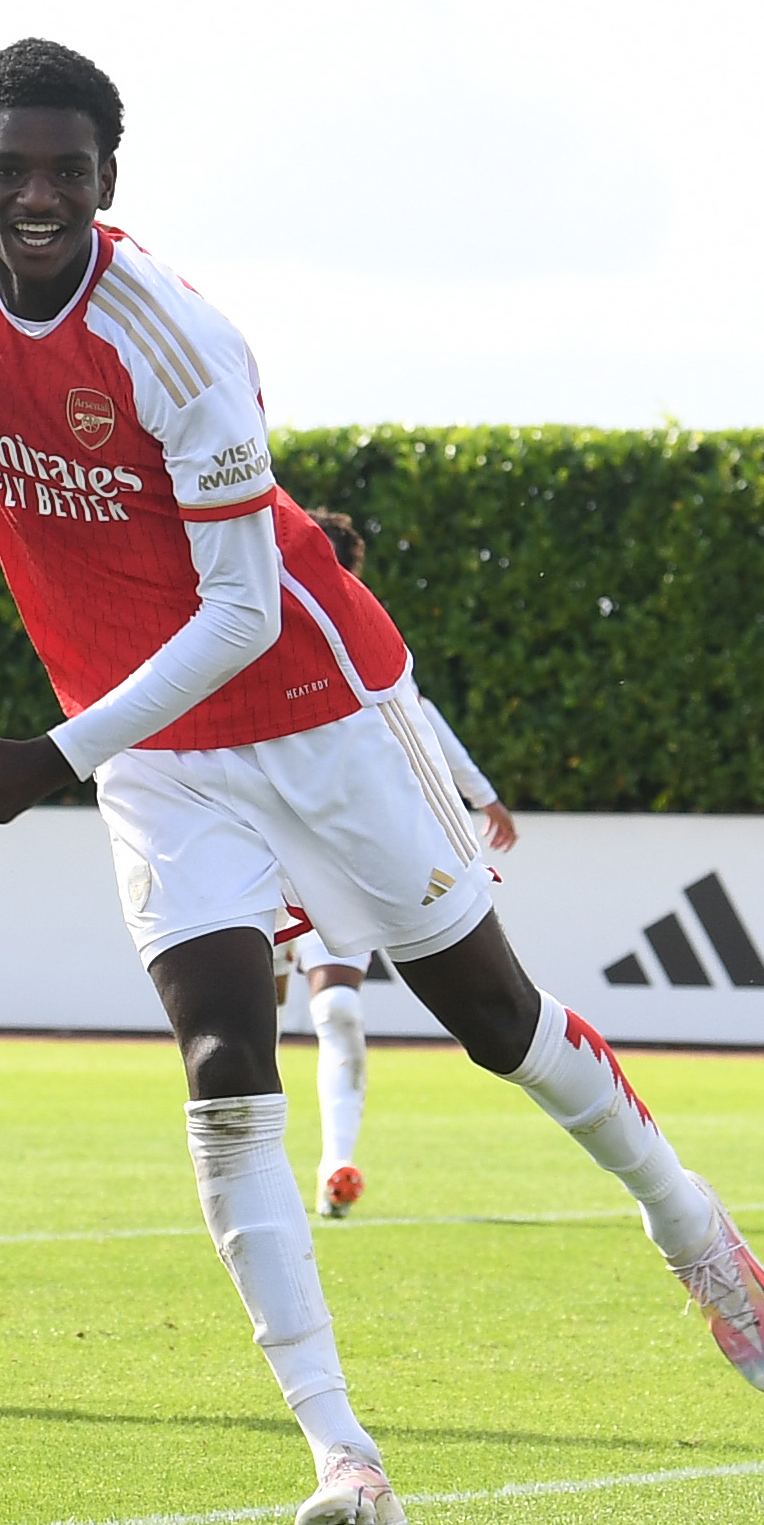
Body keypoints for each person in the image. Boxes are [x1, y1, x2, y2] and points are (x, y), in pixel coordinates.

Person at [0, 40, 764, 1525]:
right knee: (224, 1060)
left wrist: (55, 753)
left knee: (494, 1020)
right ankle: (342, 1452)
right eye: (7, 170)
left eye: (67, 171)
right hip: (163, 757)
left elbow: (238, 611)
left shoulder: (180, 344)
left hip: (313, 710)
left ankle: (686, 1219)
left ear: (109, 182)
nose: (36, 197)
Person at [283, 507, 520, 1221]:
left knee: (339, 1010)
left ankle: (335, 1167)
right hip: (257, 849)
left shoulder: (353, 631)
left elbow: (415, 712)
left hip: (326, 850)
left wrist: (481, 795)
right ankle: (254, 1186)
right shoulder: (243, 623)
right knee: (243, 1030)